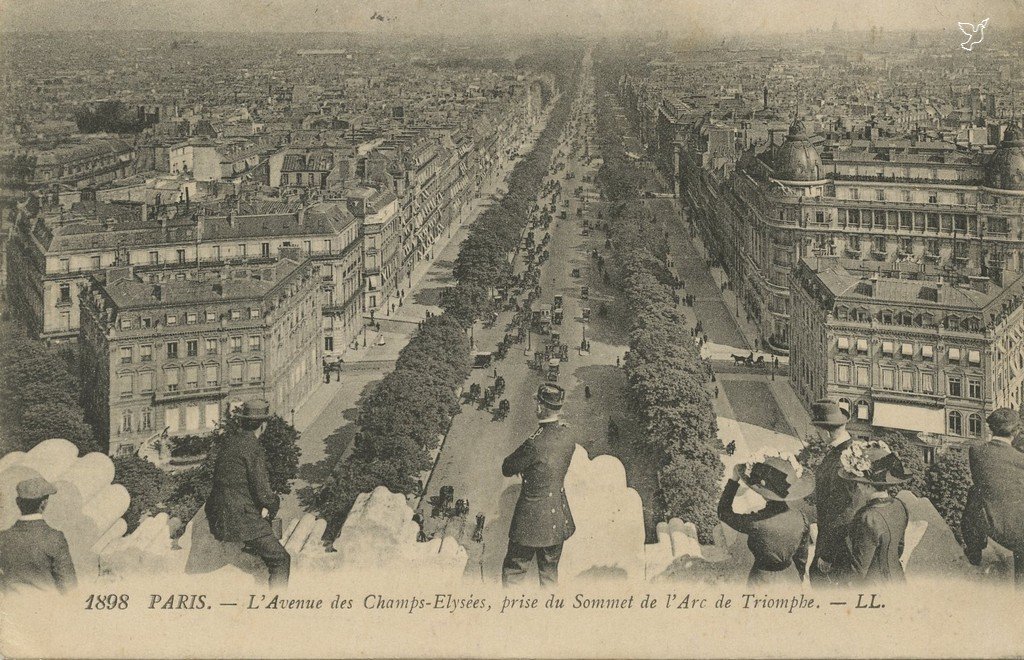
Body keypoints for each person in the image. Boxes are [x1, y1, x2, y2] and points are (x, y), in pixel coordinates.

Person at [205, 399, 290, 589]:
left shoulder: (229, 443)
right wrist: (274, 504)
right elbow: (263, 494)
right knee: (281, 560)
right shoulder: (253, 448)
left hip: (218, 516)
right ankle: (279, 607)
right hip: (241, 520)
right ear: (263, 425)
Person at [501, 383, 576, 587]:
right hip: (557, 518)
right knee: (550, 575)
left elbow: (507, 467)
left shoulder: (533, 443)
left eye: (537, 403)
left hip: (530, 522)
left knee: (514, 572)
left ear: (541, 407)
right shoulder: (568, 435)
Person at [718, 457, 813, 585]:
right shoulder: (801, 518)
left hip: (762, 581)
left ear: (764, 492)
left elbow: (723, 513)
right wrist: (798, 578)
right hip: (791, 579)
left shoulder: (756, 521)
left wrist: (734, 480)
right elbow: (801, 557)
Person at [962, 408, 1024, 585]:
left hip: (989, 528)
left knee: (975, 491)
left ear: (990, 428)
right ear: (1016, 431)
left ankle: (973, 552)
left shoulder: (976, 452)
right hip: (1019, 534)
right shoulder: (1020, 460)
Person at [838, 440, 909, 584]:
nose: (856, 486)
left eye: (857, 482)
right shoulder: (900, 505)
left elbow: (859, 568)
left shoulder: (868, 517)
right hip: (898, 579)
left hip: (874, 587)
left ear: (867, 485)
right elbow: (899, 548)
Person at [808, 399, 863, 585]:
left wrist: (827, 554)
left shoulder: (841, 461)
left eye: (817, 429)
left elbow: (843, 512)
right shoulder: (847, 449)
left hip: (837, 545)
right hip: (837, 539)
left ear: (825, 431)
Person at [0, 477, 77, 593]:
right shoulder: (55, 538)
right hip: (45, 607)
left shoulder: (3, 537)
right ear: (44, 504)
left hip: (11, 607)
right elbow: (69, 586)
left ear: (18, 502)